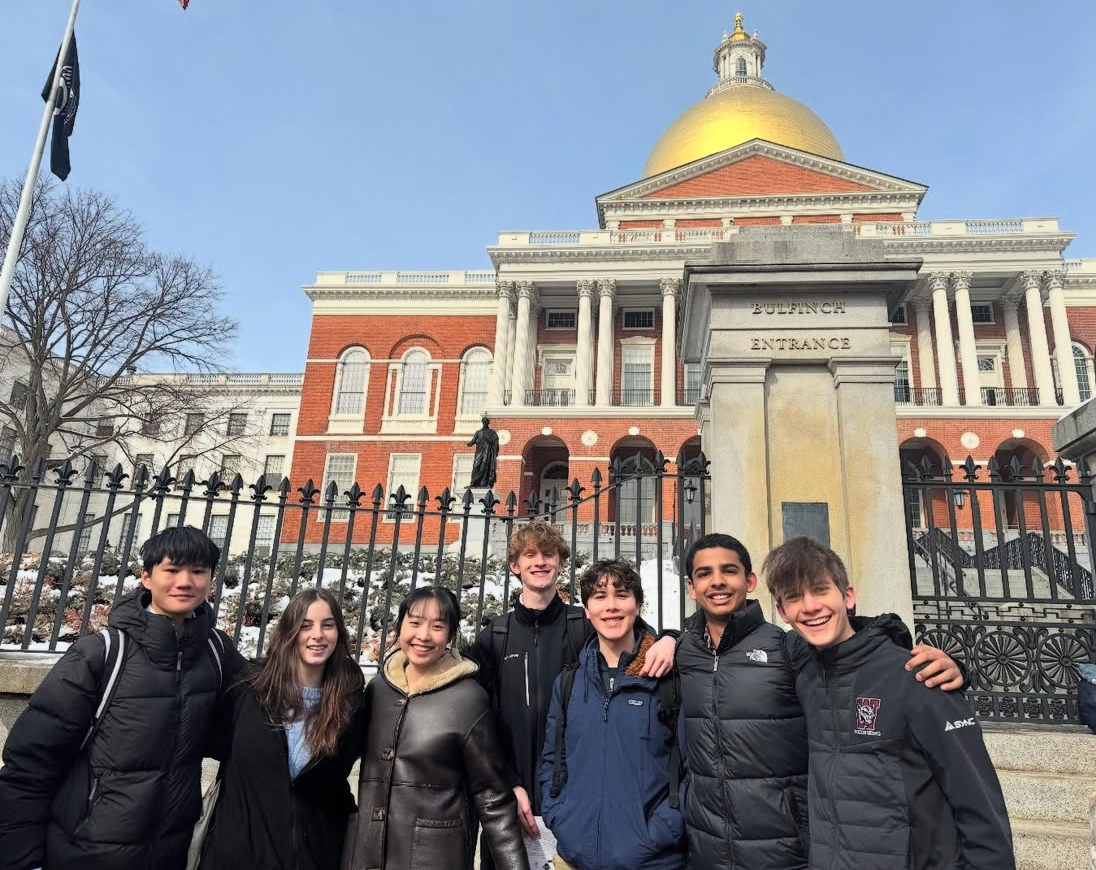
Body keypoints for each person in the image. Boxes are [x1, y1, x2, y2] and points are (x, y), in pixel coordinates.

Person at [676, 533, 963, 870]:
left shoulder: (788, 648)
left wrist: (951, 666)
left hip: (784, 850)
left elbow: (853, 650)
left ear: (750, 581)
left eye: (729, 570)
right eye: (704, 574)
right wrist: (666, 639)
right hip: (707, 848)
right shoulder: (683, 652)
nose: (717, 581)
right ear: (692, 588)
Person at [0, 525, 245, 870]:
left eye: (198, 571)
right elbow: (30, 766)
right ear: (146, 577)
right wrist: (22, 861)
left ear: (210, 580)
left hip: (169, 855)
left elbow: (258, 715)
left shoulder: (217, 653)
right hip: (85, 855)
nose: (185, 581)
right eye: (172, 570)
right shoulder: (100, 654)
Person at [763, 536, 1014, 870]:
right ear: (782, 611)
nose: (809, 606)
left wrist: (958, 669)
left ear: (848, 596)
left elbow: (979, 806)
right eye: (794, 597)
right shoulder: (801, 669)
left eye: (821, 590)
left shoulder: (918, 676)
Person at [467, 520, 676, 870]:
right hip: (512, 793)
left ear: (562, 563)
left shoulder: (583, 625)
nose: (540, 561)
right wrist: (506, 783)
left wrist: (670, 638)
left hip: (575, 799)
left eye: (549, 554)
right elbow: (476, 721)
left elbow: (632, 635)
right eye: (529, 554)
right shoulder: (495, 636)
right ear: (514, 565)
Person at [344, 586, 529, 870]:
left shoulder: (468, 700)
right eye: (415, 623)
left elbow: (491, 797)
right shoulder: (378, 689)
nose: (423, 635)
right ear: (400, 627)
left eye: (437, 626)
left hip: (435, 857)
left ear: (451, 635)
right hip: (369, 856)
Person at [198, 588, 366, 870]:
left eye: (327, 625)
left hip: (315, 857)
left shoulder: (351, 702)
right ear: (288, 631)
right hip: (237, 855)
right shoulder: (248, 690)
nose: (317, 635)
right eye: (305, 625)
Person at [540, 559, 684, 870]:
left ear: (637, 605)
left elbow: (693, 765)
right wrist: (559, 816)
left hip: (651, 860)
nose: (611, 606)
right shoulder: (569, 682)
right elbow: (553, 760)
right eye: (599, 596)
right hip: (575, 856)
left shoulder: (667, 679)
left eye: (621, 595)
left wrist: (662, 830)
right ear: (587, 610)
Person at [468, 416, 500, 488]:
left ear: (488, 423)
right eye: (484, 422)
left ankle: (484, 482)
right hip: (479, 451)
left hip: (487, 452)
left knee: (485, 465)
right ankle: (473, 482)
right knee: (476, 465)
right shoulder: (478, 432)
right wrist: (470, 443)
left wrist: (490, 442)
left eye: (486, 422)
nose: (485, 423)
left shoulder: (492, 432)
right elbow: (473, 440)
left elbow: (495, 442)